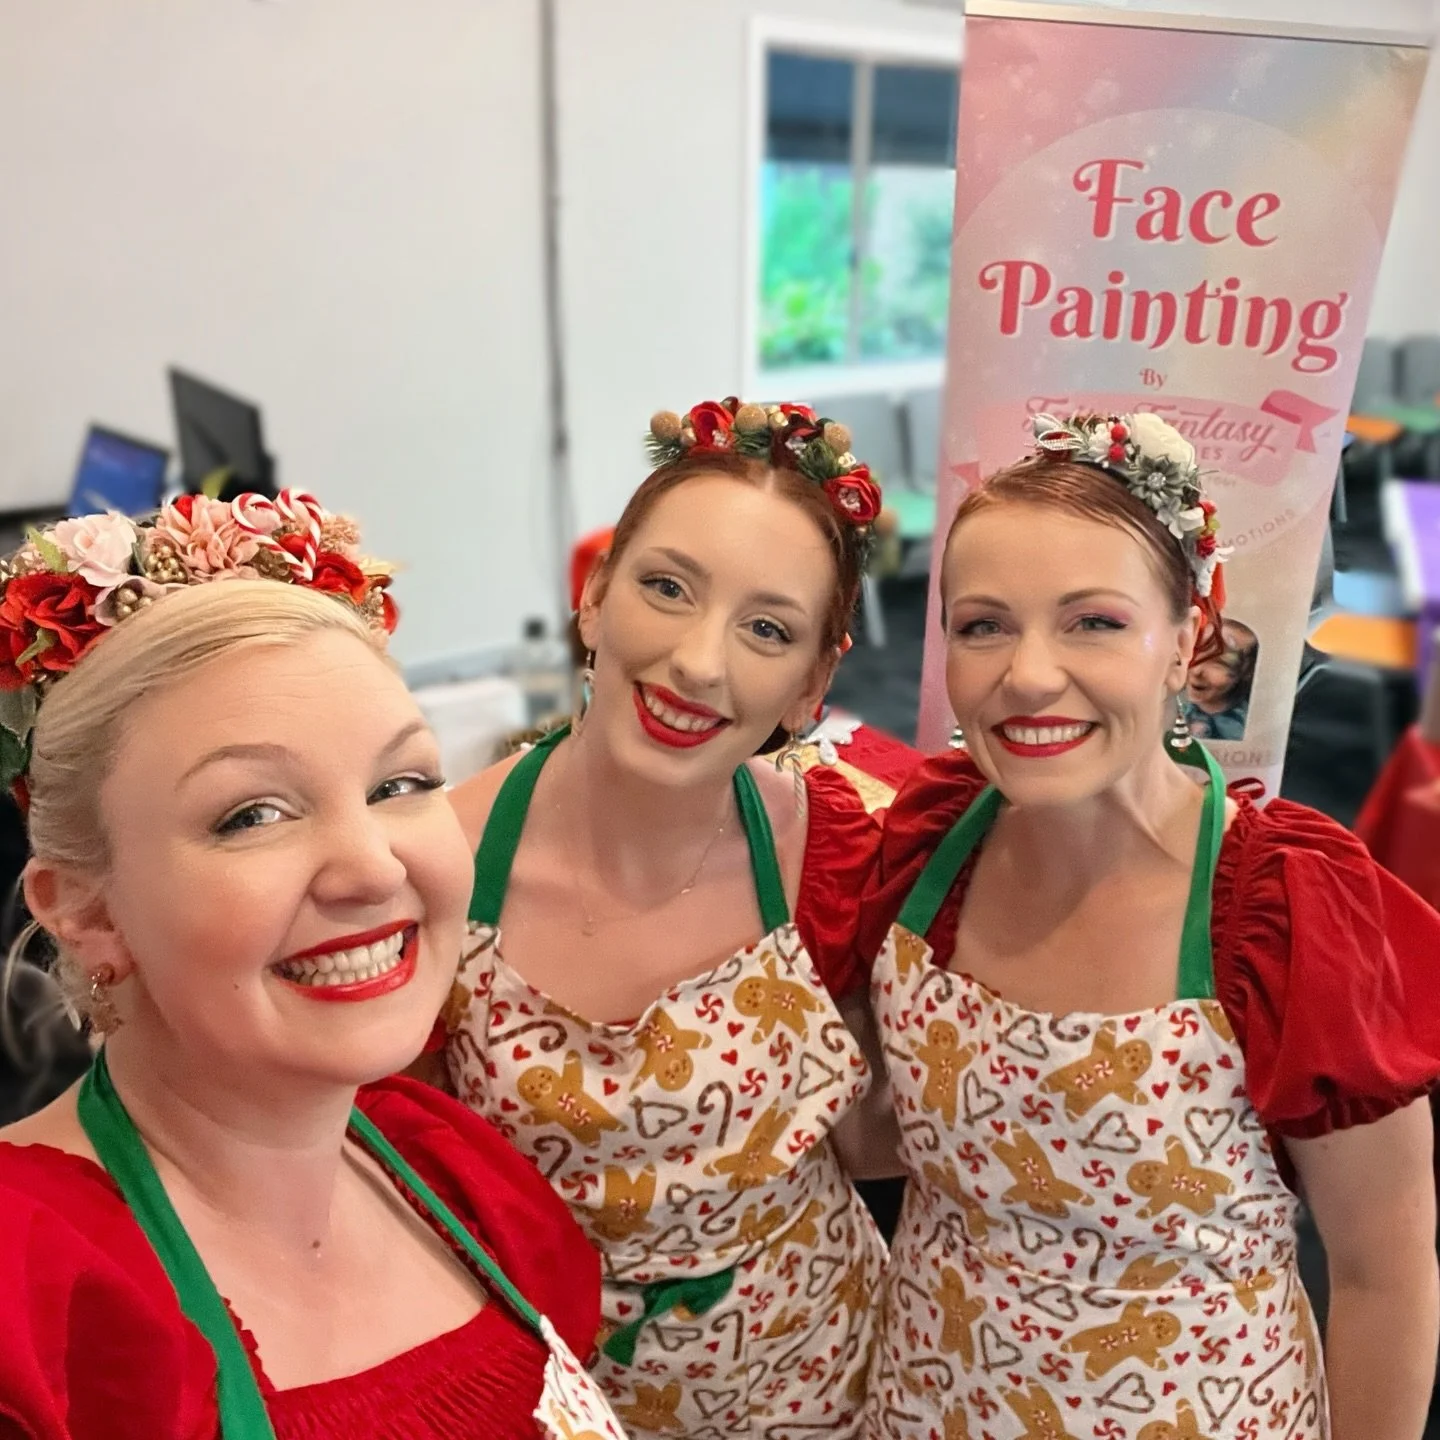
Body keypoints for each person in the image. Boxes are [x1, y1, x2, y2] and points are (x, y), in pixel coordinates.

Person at [855, 412, 1440, 1440]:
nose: (1028, 675)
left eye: (1094, 622)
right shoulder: (929, 846)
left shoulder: (1281, 909)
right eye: (982, 624)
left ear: (1190, 639)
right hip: (932, 1403)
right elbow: (890, 1141)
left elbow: (1383, 1271)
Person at [0, 493, 621, 1440]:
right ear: (84, 909)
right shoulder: (30, 1301)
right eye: (252, 814)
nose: (375, 866)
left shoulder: (448, 1171)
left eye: (400, 784)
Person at [437, 397, 893, 1438]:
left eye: (767, 629)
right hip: (556, 1406)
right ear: (593, 598)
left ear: (813, 683)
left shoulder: (835, 848)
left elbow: (873, 1144)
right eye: (666, 588)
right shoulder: (436, 866)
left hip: (833, 1387)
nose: (697, 661)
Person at [1185, 617, 1259, 740]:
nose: (1197, 670)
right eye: (1195, 653)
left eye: (1218, 663)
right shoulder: (1169, 708)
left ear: (1247, 670)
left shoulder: (1245, 724)